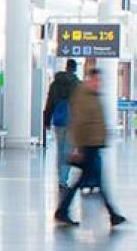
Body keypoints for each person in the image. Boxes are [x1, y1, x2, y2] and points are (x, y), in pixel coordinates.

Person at [54, 68, 126, 227]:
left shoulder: (92, 96)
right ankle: (112, 214)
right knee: (93, 182)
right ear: (89, 79)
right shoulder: (83, 97)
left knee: (88, 181)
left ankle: (63, 211)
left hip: (94, 145)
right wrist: (78, 147)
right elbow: (78, 124)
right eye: (96, 80)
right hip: (88, 146)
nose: (99, 83)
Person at [43, 59, 80, 190]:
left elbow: (49, 103)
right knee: (68, 151)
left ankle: (60, 178)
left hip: (58, 121)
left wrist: (46, 120)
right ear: (75, 69)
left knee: (59, 151)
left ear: (66, 67)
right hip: (72, 122)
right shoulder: (77, 84)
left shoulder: (55, 84)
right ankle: (64, 179)